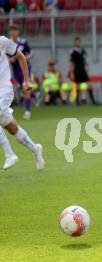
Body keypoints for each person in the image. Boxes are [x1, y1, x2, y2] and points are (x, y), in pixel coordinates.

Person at [0, 35, 44, 170]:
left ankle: (9, 154)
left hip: (4, 89)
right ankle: (35, 148)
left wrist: (26, 80)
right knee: (12, 128)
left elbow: (21, 57)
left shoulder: (3, 41)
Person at [8, 24, 33, 119]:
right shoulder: (7, 43)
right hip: (15, 69)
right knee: (23, 89)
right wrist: (10, 59)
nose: (14, 32)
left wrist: (26, 58)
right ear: (9, 32)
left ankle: (27, 111)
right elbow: (5, 57)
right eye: (12, 30)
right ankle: (35, 93)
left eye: (15, 30)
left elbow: (30, 53)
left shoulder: (23, 42)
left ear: (18, 32)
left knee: (25, 88)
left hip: (25, 68)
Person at [69, 36, 97, 105]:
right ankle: (77, 102)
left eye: (78, 41)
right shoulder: (72, 51)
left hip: (83, 70)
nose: (77, 42)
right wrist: (72, 72)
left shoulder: (83, 50)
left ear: (80, 42)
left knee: (89, 85)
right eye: (76, 41)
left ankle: (93, 101)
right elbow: (71, 62)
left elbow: (84, 60)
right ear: (75, 42)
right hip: (76, 70)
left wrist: (87, 66)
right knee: (77, 86)